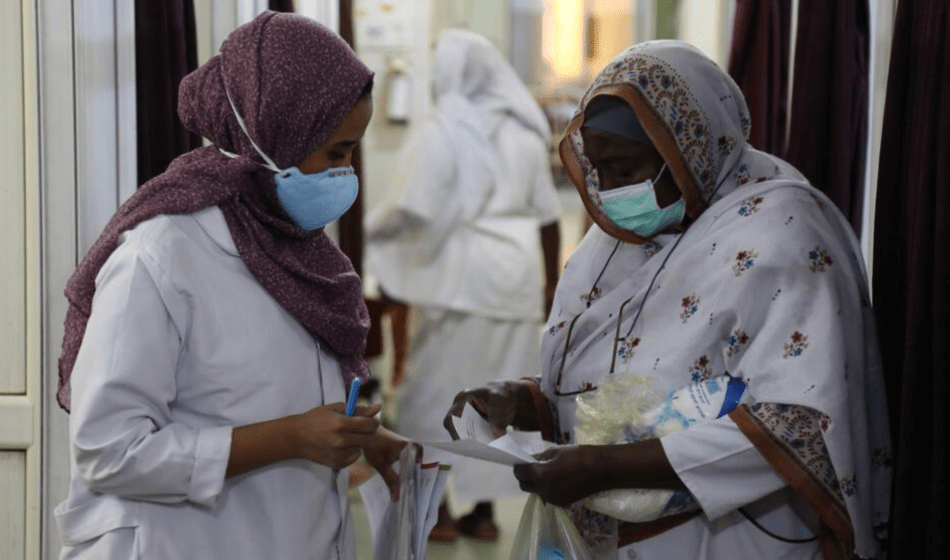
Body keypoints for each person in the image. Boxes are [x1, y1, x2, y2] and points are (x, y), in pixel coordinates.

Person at [445, 41, 892, 559]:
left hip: (726, 537)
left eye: (625, 169)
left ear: (690, 147)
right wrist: (520, 399)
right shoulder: (614, 242)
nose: (607, 191)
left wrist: (608, 467)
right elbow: (604, 382)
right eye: (598, 169)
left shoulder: (783, 237)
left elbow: (803, 426)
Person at [52, 13, 410, 559]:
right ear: (276, 135)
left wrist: (355, 438)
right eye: (335, 153)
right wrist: (290, 437)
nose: (346, 173)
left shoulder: (299, 249)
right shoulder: (163, 255)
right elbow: (110, 451)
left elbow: (265, 389)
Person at [365, 29, 562, 541]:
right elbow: (547, 217)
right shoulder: (525, 129)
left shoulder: (447, 128)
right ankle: (485, 513)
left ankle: (442, 510)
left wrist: (371, 232)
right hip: (515, 277)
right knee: (505, 397)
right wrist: (549, 282)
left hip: (460, 278)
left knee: (437, 393)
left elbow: (415, 204)